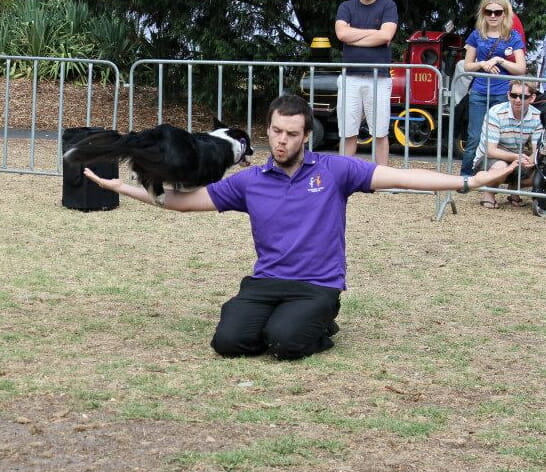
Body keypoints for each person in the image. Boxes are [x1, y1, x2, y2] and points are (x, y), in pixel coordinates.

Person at [84, 94, 518, 361]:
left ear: (306, 135)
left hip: (317, 285)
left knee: (287, 344)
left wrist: (468, 181)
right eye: (275, 131)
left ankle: (319, 326)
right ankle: (279, 320)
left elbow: (402, 176)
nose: (281, 141)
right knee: (228, 343)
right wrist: (123, 186)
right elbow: (184, 202)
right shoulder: (250, 181)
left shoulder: (335, 170)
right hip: (265, 282)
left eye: (291, 133)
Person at [459, 0, 526, 177]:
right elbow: (467, 66)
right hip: (479, 92)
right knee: (474, 136)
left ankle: (502, 177)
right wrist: (482, 64)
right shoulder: (476, 35)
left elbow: (521, 69)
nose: (493, 15)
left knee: (503, 139)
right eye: (489, 12)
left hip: (503, 94)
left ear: (505, 13)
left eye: (498, 12)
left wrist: (500, 60)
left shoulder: (513, 37)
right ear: (483, 13)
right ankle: (466, 176)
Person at [335, 0, 398, 165]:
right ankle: (344, 176)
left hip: (379, 79)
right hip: (349, 78)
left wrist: (352, 36)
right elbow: (341, 34)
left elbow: (386, 35)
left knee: (380, 132)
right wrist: (374, 34)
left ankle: (382, 177)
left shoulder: (388, 5)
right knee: (347, 132)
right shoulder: (346, 6)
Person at [473, 80, 543, 209]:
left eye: (523, 96)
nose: (517, 100)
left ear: (532, 98)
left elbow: (536, 149)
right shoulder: (496, 112)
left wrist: (533, 159)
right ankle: (489, 195)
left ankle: (513, 190)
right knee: (500, 165)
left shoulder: (537, 116)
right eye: (513, 95)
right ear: (508, 95)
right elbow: (491, 151)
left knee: (541, 170)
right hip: (488, 160)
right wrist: (517, 157)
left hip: (518, 158)